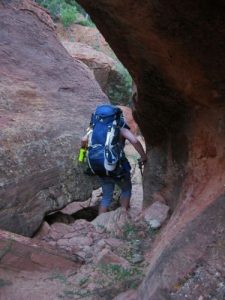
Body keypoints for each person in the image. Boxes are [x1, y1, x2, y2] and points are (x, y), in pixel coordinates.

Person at [81, 107, 147, 215]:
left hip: (99, 166)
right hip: (116, 166)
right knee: (126, 190)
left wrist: (82, 156)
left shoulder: (94, 128)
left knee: (107, 195)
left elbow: (83, 140)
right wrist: (143, 156)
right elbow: (134, 140)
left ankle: (99, 221)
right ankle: (122, 216)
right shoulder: (119, 127)